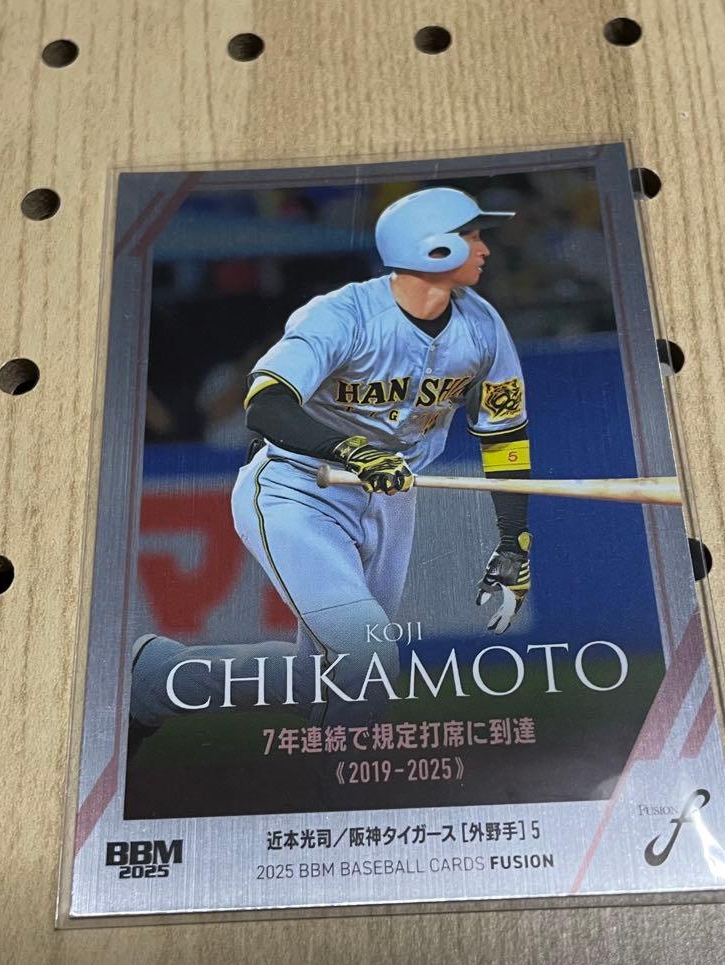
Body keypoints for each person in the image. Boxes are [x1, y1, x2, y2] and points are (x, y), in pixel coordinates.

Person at [128, 187, 533, 746]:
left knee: (330, 677)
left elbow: (505, 438)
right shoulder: (343, 314)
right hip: (300, 487)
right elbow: (265, 402)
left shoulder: (484, 327)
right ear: (431, 248)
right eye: (470, 236)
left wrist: (514, 542)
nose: (483, 248)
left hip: (392, 499)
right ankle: (345, 785)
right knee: (367, 657)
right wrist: (350, 450)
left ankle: (156, 680)